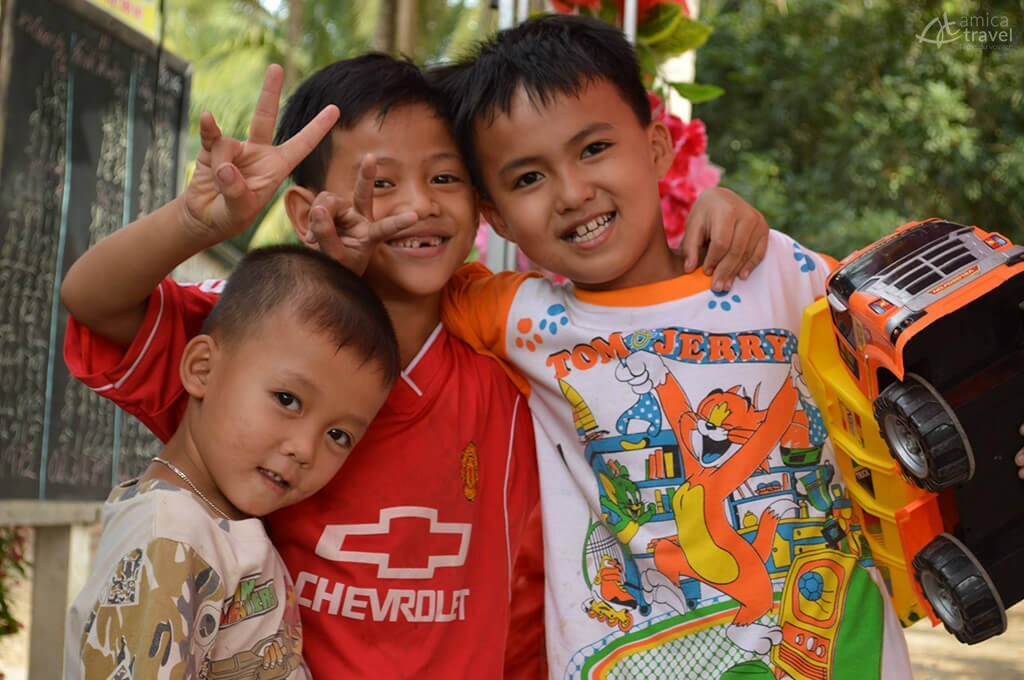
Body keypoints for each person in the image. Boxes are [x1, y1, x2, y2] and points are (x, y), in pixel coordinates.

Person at [60, 56, 768, 676]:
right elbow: (94, 303)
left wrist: (716, 216)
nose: (418, 205)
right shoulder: (252, 338)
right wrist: (197, 224)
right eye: (380, 180)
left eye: (444, 176)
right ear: (307, 209)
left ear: (482, 207)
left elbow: (635, 321)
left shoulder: (516, 365)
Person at [417, 14, 916, 679]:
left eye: (594, 148)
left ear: (657, 148)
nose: (572, 193)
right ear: (497, 217)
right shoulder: (518, 318)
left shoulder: (774, 273)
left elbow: (904, 339)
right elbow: (406, 270)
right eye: (528, 179)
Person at [64, 244, 401, 679]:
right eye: (287, 400)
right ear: (202, 368)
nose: (305, 448)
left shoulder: (211, 524)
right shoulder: (169, 534)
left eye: (338, 435)